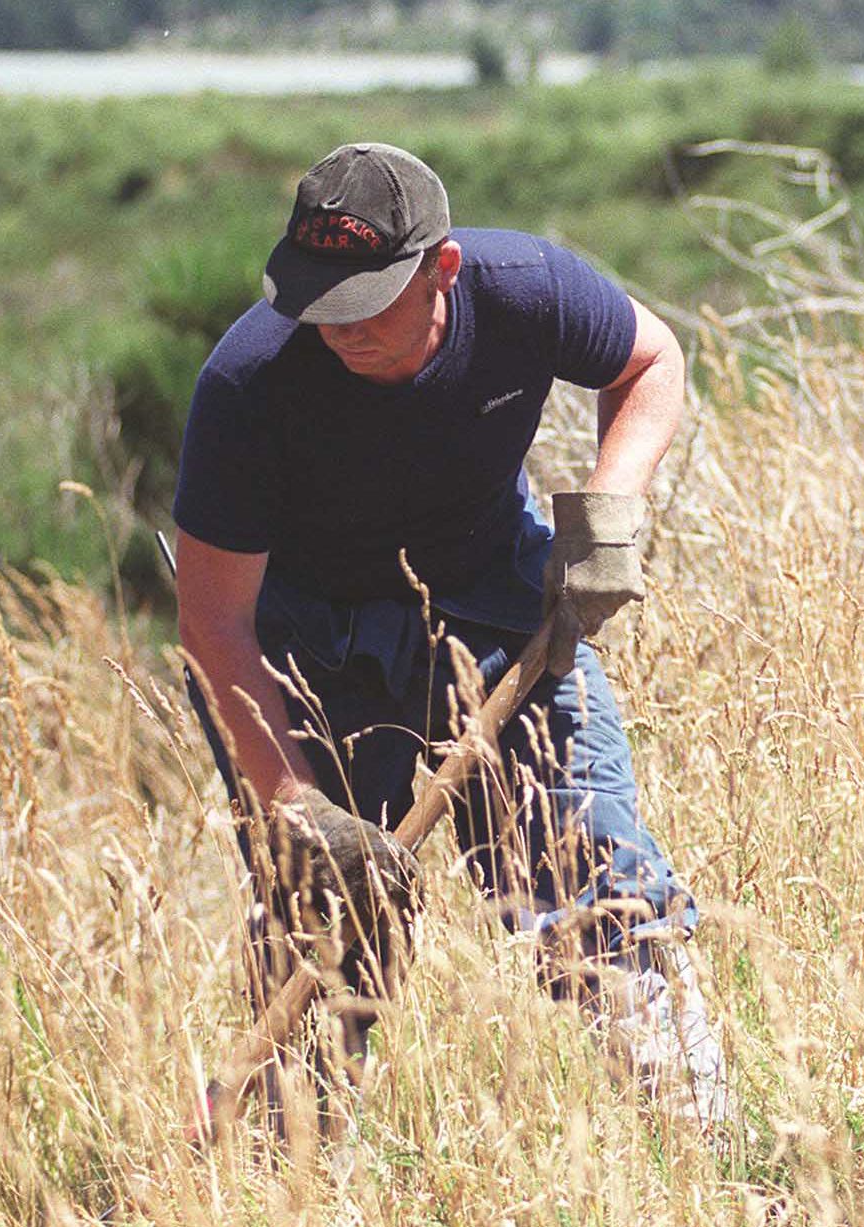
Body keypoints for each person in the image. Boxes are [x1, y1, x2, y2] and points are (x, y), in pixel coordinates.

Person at [172, 141, 725, 1122]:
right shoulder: (249, 385)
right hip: (308, 651)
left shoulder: (526, 289)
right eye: (320, 297)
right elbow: (215, 620)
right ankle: (281, 1180)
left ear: (444, 269)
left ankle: (703, 1145)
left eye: (367, 302)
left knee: (593, 865)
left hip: (495, 606)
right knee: (330, 918)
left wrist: (607, 520)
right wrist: (295, 803)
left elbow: (653, 359)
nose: (337, 327)